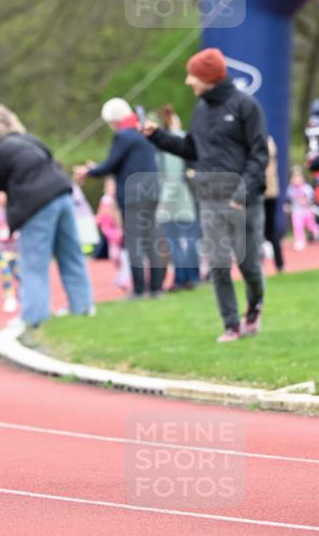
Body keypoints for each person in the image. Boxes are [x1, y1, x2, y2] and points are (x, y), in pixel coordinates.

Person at [143, 47, 268, 342]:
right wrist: (158, 136)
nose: (189, 81)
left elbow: (259, 155)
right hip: (210, 197)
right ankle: (231, 325)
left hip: (243, 199)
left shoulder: (246, 106)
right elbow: (191, 149)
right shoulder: (201, 109)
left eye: (193, 75)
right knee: (218, 264)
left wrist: (241, 191)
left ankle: (254, 308)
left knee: (249, 265)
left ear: (209, 77)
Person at [0, 104, 93, 327]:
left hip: (36, 204)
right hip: (63, 195)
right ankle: (83, 307)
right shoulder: (32, 140)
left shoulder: (0, 150)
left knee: (33, 263)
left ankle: (34, 318)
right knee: (71, 254)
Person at [74, 98, 164, 298]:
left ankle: (139, 290)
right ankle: (156, 288)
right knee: (151, 240)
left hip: (132, 195)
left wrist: (89, 171)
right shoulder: (141, 132)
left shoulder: (123, 135)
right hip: (150, 192)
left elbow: (111, 164)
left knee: (134, 243)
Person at [155, 105, 201, 290]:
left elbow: (172, 178)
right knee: (187, 240)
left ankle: (183, 278)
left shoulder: (170, 143)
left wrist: (163, 201)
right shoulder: (180, 140)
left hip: (175, 199)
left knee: (176, 241)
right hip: (183, 198)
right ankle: (191, 276)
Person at [95, 177, 130, 289]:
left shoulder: (119, 198)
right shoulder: (105, 200)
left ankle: (125, 276)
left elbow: (120, 216)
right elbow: (101, 213)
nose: (112, 188)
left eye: (113, 186)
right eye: (109, 186)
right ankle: (120, 273)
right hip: (110, 232)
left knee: (123, 255)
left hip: (119, 231)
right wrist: (98, 220)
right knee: (114, 255)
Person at [263, 137, 284, 271]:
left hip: (263, 192)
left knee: (261, 230)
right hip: (271, 191)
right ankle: (279, 264)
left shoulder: (261, 141)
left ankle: (277, 263)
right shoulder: (269, 141)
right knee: (271, 231)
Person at [285, 165, 319, 250]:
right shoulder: (290, 189)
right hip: (297, 212)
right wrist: (286, 205)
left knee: (311, 225)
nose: (296, 180)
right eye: (294, 178)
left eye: (298, 178)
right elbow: (288, 199)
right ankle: (300, 240)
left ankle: (316, 232)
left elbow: (312, 198)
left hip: (307, 211)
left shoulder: (306, 188)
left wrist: (307, 201)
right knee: (298, 226)